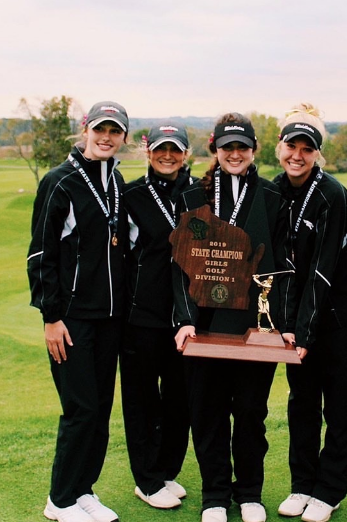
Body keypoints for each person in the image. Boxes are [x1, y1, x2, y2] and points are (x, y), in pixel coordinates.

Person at [174, 113, 287, 522]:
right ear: (215, 150)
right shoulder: (191, 197)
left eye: (242, 147)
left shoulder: (272, 198)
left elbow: (281, 267)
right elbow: (179, 265)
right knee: (208, 412)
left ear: (254, 150)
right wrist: (184, 319)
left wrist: (280, 323)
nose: (235, 154)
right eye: (227, 147)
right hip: (204, 325)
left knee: (252, 414)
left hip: (252, 328)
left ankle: (250, 494)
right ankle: (215, 496)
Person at [27, 101, 129, 522]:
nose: (106, 137)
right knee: (81, 409)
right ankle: (59, 499)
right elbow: (41, 256)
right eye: (99, 129)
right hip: (71, 319)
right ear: (85, 129)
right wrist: (51, 318)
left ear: (124, 136)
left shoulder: (117, 181)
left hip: (109, 319)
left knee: (100, 409)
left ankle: (83, 489)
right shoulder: (59, 181)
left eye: (115, 131)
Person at [274, 103, 347, 522]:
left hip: (340, 321)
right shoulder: (273, 190)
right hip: (298, 325)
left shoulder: (332, 194)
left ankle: (329, 491)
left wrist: (304, 333)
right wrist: (288, 327)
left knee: (340, 408)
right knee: (302, 405)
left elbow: (323, 272)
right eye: (291, 146)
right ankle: (301, 485)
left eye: (306, 148)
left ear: (317, 153)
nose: (297, 154)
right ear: (279, 148)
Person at [120, 122, 195, 509]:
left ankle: (165, 472)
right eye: (161, 149)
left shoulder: (199, 193)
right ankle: (146, 480)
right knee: (142, 400)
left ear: (186, 154)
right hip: (142, 315)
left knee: (180, 399)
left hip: (186, 317)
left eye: (176, 150)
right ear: (148, 152)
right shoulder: (131, 195)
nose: (168, 157)